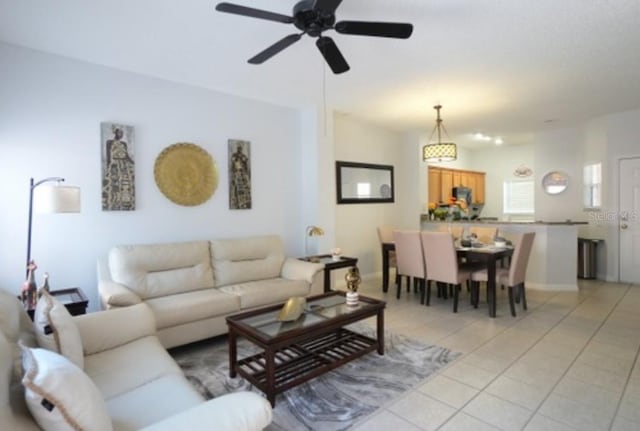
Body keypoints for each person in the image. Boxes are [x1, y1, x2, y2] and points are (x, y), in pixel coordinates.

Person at [103, 127, 135, 210]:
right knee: (114, 185)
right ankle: (114, 203)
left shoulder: (124, 143)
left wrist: (134, 163)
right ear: (116, 133)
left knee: (125, 185)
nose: (121, 135)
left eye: (122, 133)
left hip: (124, 165)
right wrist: (108, 167)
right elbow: (108, 156)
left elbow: (126, 156)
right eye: (120, 133)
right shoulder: (109, 142)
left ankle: (125, 203)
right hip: (114, 165)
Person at [229, 143, 251, 209]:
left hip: (243, 173)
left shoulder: (243, 156)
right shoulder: (234, 155)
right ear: (237, 148)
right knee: (237, 187)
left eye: (240, 148)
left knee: (245, 189)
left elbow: (245, 163)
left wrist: (245, 170)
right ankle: (237, 202)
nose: (239, 149)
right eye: (238, 148)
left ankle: (245, 202)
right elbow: (233, 163)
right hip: (237, 173)